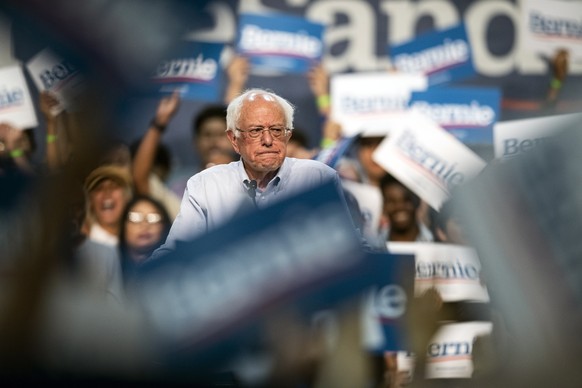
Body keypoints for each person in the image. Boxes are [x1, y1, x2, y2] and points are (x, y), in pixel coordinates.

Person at [152, 88, 347, 258]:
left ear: (288, 136)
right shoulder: (205, 185)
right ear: (234, 139)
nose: (268, 140)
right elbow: (179, 251)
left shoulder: (319, 179)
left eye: (277, 130)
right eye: (256, 131)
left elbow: (350, 246)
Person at [118, 195, 171, 286]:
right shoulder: (107, 267)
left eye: (153, 218)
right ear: (123, 225)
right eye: (135, 217)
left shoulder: (176, 271)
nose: (144, 225)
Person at [380, 173, 433, 243]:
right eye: (391, 202)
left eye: (406, 200)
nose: (399, 207)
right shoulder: (373, 245)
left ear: (418, 201)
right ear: (383, 206)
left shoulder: (435, 242)